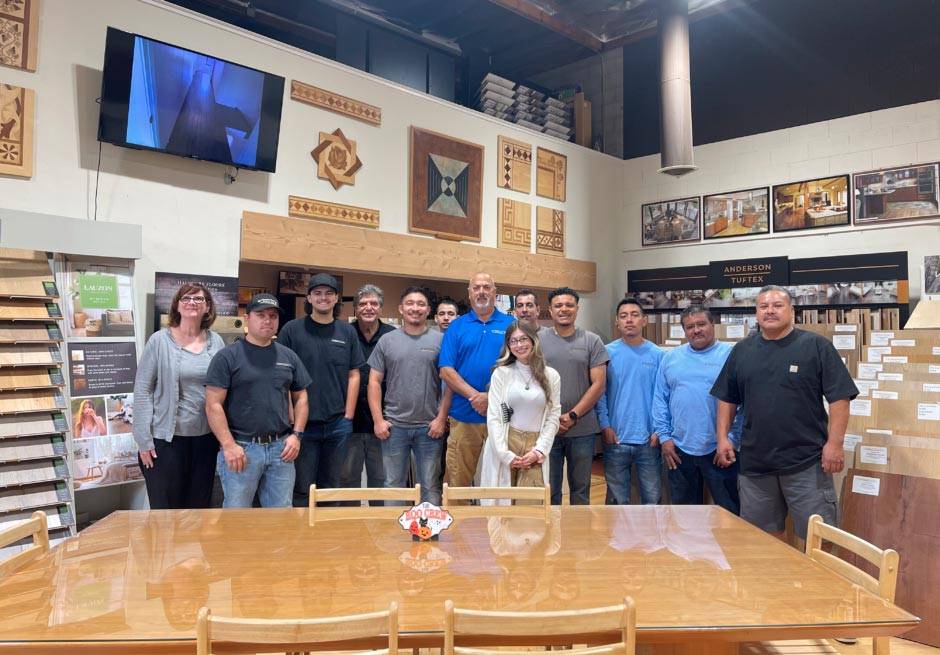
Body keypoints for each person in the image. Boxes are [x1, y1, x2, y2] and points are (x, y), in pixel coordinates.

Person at [711, 285, 858, 541]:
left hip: (806, 463)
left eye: (777, 305)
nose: (770, 311)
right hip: (755, 465)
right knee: (763, 542)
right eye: (763, 306)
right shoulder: (742, 351)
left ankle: (817, 583)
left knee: (819, 539)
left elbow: (839, 399)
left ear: (792, 310)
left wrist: (835, 444)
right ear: (756, 313)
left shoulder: (816, 346)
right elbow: (727, 398)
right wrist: (722, 437)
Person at [205, 294, 310, 508]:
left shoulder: (288, 357)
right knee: (237, 516)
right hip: (241, 449)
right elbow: (212, 404)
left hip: (282, 450)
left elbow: (301, 397)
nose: (267, 320)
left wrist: (297, 435)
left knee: (280, 518)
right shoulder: (227, 357)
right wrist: (228, 445)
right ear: (247, 318)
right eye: (260, 315)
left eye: (272, 316)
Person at [133, 282, 225, 509]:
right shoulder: (159, 341)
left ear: (208, 307)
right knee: (166, 512)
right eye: (186, 298)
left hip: (205, 442)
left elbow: (223, 391)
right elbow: (142, 389)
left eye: (198, 299)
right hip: (165, 443)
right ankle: (163, 547)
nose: (192, 303)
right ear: (177, 305)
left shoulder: (217, 343)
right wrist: (143, 440)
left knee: (198, 510)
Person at [278, 273, 364, 507]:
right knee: (302, 488)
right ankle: (302, 540)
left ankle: (327, 541)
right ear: (308, 297)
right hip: (302, 427)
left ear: (337, 298)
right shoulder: (291, 331)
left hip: (338, 424)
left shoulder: (347, 332)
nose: (323, 298)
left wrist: (348, 415)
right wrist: (290, 417)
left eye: (328, 293)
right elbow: (282, 376)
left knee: (331, 489)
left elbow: (354, 374)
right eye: (317, 293)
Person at [652, 306, 740, 514]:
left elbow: (743, 403)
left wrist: (731, 440)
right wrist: (665, 438)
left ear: (713, 325)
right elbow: (660, 400)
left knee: (729, 515)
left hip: (720, 448)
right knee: (684, 516)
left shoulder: (731, 356)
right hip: (680, 449)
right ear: (684, 330)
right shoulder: (670, 358)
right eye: (690, 327)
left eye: (701, 324)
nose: (696, 330)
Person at [369, 286, 450, 504]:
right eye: (410, 303)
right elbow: (374, 381)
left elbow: (448, 383)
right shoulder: (387, 341)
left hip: (430, 428)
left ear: (428, 310)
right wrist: (378, 420)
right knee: (393, 485)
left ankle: (430, 533)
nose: (415, 308)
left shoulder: (441, 341)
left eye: (421, 304)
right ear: (401, 309)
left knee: (430, 485)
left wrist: (441, 419)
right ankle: (394, 536)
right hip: (394, 427)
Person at [440, 272, 514, 493]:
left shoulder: (512, 325)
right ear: (470, 293)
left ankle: (500, 526)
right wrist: (476, 396)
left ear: (495, 292)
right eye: (476, 287)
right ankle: (458, 527)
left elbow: (519, 368)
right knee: (458, 482)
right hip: (463, 417)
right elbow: (446, 370)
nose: (481, 291)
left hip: (503, 416)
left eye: (486, 287)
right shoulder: (457, 327)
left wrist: (489, 398)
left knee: (503, 480)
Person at [538, 287, 608, 505]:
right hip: (547, 427)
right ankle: (552, 538)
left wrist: (573, 415)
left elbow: (598, 384)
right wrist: (552, 417)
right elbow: (531, 380)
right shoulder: (537, 341)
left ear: (577, 309)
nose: (564, 309)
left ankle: (580, 537)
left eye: (569, 305)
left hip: (582, 428)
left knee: (580, 491)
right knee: (549, 491)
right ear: (550, 310)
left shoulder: (592, 341)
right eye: (558, 305)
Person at [596, 298, 665, 505]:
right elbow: (600, 393)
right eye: (624, 316)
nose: (629, 320)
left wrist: (659, 430)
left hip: (649, 440)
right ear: (617, 322)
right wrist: (605, 425)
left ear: (644, 320)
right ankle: (619, 539)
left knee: (652, 498)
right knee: (617, 501)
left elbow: (663, 397)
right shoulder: (606, 353)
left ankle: (652, 538)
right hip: (616, 438)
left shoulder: (658, 355)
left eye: (635, 315)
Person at [480, 321, 560, 492]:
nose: (519, 345)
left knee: (530, 510)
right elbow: (494, 416)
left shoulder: (551, 376)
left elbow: (553, 417)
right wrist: (503, 453)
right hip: (506, 441)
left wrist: (539, 450)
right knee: (502, 509)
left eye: (523, 339)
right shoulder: (501, 373)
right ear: (508, 345)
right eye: (513, 341)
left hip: (535, 445)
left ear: (533, 341)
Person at [341, 284, 395, 503]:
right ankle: (351, 529)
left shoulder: (392, 336)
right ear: (355, 309)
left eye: (374, 303)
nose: (368, 308)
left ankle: (379, 530)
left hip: (383, 424)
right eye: (363, 304)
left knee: (381, 481)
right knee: (347, 479)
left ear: (381, 308)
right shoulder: (344, 333)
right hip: (349, 422)